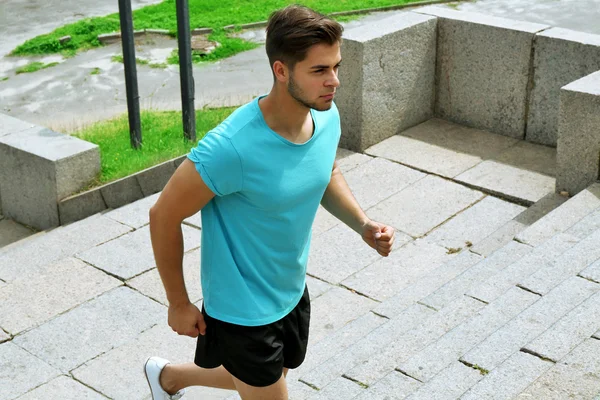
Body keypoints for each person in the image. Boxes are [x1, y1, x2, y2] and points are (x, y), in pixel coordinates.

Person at [145, 4, 396, 400]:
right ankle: (168, 378)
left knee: (271, 373)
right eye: (319, 70)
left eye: (336, 66)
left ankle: (168, 379)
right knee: (269, 386)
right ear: (281, 71)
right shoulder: (230, 149)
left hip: (289, 288)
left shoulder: (325, 116)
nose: (334, 81)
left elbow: (325, 172)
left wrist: (362, 224)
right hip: (241, 309)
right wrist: (178, 303)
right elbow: (163, 214)